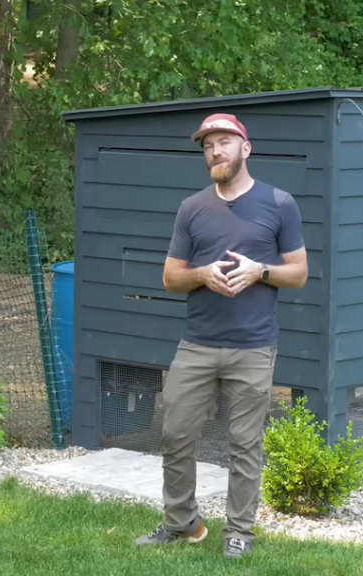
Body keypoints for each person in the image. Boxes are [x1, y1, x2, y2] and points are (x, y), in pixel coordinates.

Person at [133, 113, 308, 558]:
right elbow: (172, 278)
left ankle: (240, 533)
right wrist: (202, 274)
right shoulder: (193, 208)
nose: (215, 150)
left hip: (253, 346)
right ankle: (182, 523)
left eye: (224, 142)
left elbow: (299, 273)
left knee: (245, 444)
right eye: (208, 144)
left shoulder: (279, 203)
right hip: (197, 344)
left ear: (244, 148)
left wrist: (260, 270)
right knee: (174, 434)